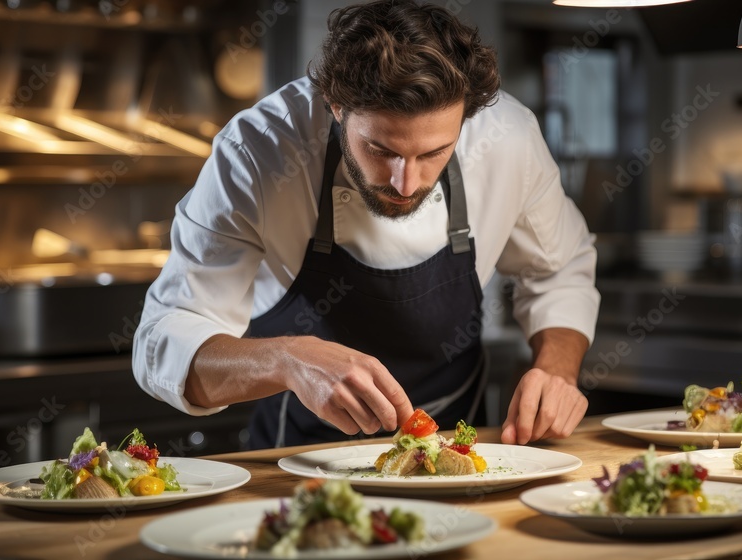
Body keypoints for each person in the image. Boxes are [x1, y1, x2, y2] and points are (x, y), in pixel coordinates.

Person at [132, 0, 600, 449]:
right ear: (336, 106)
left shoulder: (508, 137)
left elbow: (558, 268)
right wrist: (288, 358)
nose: (406, 182)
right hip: (301, 463)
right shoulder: (258, 151)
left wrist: (557, 370)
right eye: (382, 150)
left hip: (453, 458)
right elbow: (163, 339)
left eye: (434, 153)